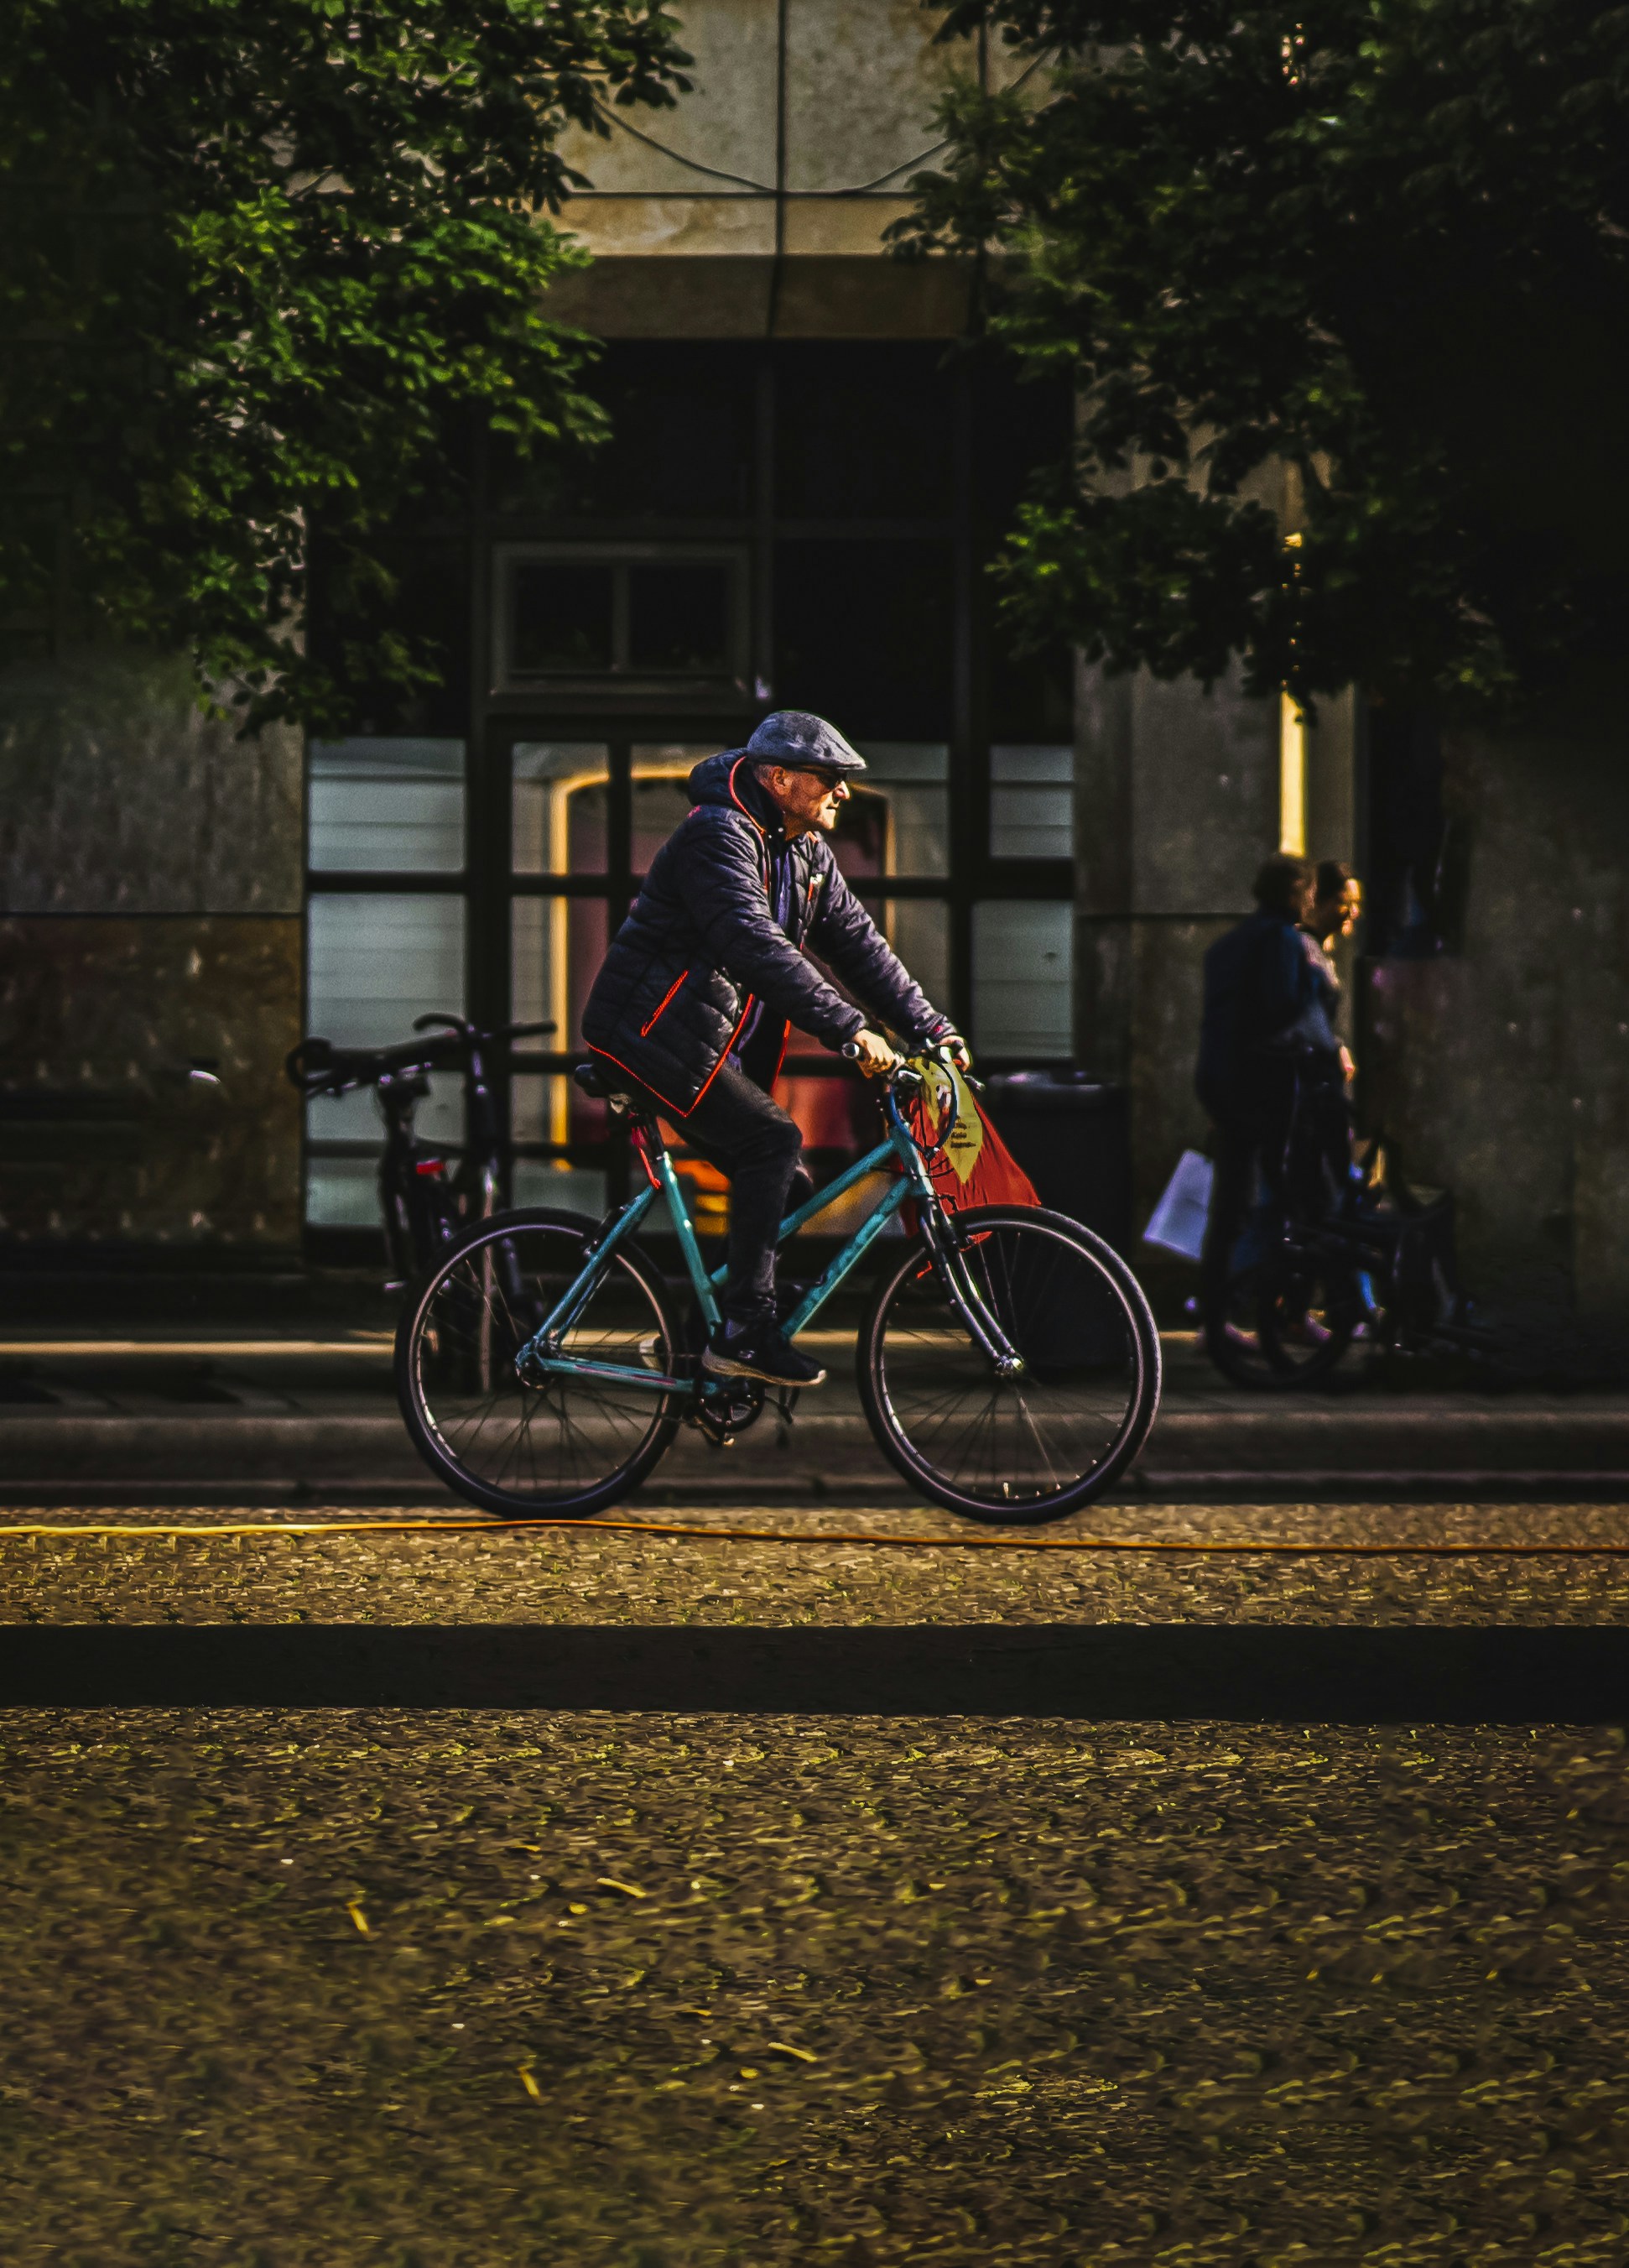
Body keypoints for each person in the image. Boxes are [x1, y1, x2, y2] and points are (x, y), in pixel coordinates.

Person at [581, 711, 967, 1391]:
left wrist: (932, 1028)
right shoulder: (717, 835)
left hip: (695, 1041)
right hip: (646, 1034)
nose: (843, 793)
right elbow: (753, 946)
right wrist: (850, 1028)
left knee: (787, 1188)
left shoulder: (803, 851)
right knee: (771, 1141)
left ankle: (705, 1339)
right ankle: (744, 1333)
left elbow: (860, 947)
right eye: (831, 778)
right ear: (780, 778)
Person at [1195, 853, 1344, 1351]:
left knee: (1231, 1205)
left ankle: (1216, 1321)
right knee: (1302, 1199)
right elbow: (1284, 1009)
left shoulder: (1227, 945)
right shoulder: (1283, 942)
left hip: (1223, 1085)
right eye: (1307, 890)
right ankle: (1290, 1312)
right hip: (1275, 1088)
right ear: (1295, 892)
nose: (1310, 900)